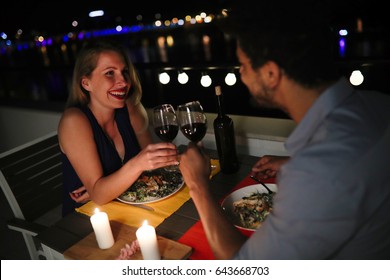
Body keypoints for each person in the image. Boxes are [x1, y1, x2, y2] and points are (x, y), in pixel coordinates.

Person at [178, 0, 390, 259]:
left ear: (270, 74)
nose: (241, 74)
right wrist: (296, 161)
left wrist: (198, 184)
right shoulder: (378, 103)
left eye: (243, 64)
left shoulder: (317, 172)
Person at [58, 39, 178, 216]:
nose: (123, 81)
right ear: (86, 83)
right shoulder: (74, 121)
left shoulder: (131, 108)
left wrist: (106, 188)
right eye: (109, 73)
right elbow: (99, 194)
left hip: (128, 208)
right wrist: (136, 165)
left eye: (125, 72)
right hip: (85, 220)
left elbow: (153, 167)